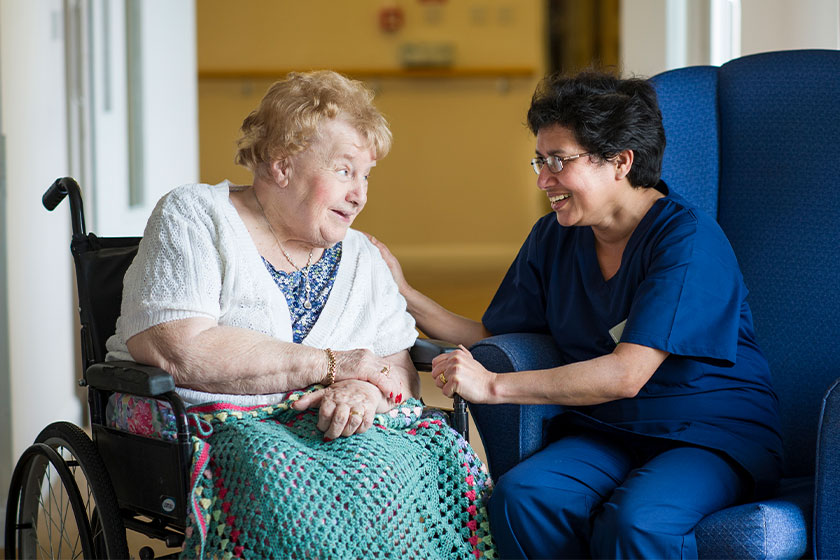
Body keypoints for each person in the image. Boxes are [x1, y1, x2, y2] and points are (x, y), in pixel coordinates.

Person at [369, 71, 783, 559]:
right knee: (524, 498)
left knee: (638, 524)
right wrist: (404, 293)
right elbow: (490, 333)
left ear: (620, 162)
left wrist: (495, 387)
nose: (543, 179)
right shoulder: (554, 236)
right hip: (608, 429)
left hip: (707, 434)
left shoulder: (686, 240)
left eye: (559, 161)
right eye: (539, 161)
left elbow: (626, 374)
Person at [105, 70, 495, 559]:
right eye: (344, 170)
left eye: (366, 175)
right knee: (291, 488)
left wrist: (365, 392)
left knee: (419, 466)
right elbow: (178, 348)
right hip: (207, 422)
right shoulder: (195, 216)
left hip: (327, 428)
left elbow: (395, 364)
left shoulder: (362, 256)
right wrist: (335, 365)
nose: (360, 195)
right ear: (281, 163)